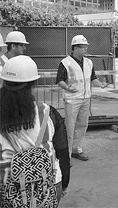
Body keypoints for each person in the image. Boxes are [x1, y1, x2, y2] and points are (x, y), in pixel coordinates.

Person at [0, 55, 69, 205]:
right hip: (46, 184)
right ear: (34, 84)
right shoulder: (48, 113)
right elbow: (62, 150)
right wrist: (65, 183)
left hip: (6, 188)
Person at [56, 35, 106, 161]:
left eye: (86, 47)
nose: (85, 49)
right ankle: (66, 156)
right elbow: (59, 80)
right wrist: (67, 88)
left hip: (85, 98)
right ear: (75, 48)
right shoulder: (65, 63)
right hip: (72, 99)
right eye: (83, 47)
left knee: (82, 125)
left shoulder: (89, 62)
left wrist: (100, 84)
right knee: (70, 127)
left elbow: (93, 78)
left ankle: (76, 150)